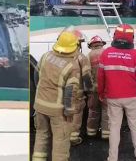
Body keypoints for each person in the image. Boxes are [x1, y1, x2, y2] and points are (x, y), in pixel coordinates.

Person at [32, 31, 93, 161]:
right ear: (75, 46)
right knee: (61, 142)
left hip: (40, 105)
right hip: (58, 110)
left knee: (41, 135)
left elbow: (36, 77)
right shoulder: (72, 66)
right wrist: (69, 112)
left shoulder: (45, 56)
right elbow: (69, 92)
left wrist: (41, 94)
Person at [98, 24, 136, 161]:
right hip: (131, 98)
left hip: (113, 97)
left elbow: (100, 77)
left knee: (114, 128)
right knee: (135, 127)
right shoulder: (135, 54)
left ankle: (112, 158)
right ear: (131, 38)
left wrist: (101, 94)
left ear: (115, 36)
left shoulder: (106, 53)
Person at [86, 36, 109, 139]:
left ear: (91, 45)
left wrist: (87, 89)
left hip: (93, 89)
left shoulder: (88, 56)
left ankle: (91, 132)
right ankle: (106, 134)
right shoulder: (108, 53)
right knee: (106, 111)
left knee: (93, 110)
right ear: (101, 44)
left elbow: (86, 74)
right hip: (107, 89)